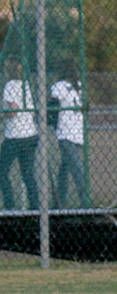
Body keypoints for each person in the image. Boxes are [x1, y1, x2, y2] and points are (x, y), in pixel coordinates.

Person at [0, 58, 39, 210]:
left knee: (1, 172)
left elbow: (13, 110)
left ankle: (10, 205)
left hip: (15, 136)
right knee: (27, 173)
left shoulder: (10, 85)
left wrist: (1, 117)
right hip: (31, 134)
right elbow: (32, 113)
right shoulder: (27, 85)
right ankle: (35, 206)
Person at [50, 61, 90, 208]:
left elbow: (52, 105)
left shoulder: (59, 86)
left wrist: (48, 119)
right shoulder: (78, 85)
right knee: (65, 168)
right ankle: (59, 202)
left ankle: (85, 201)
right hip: (78, 131)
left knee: (75, 167)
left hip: (66, 132)